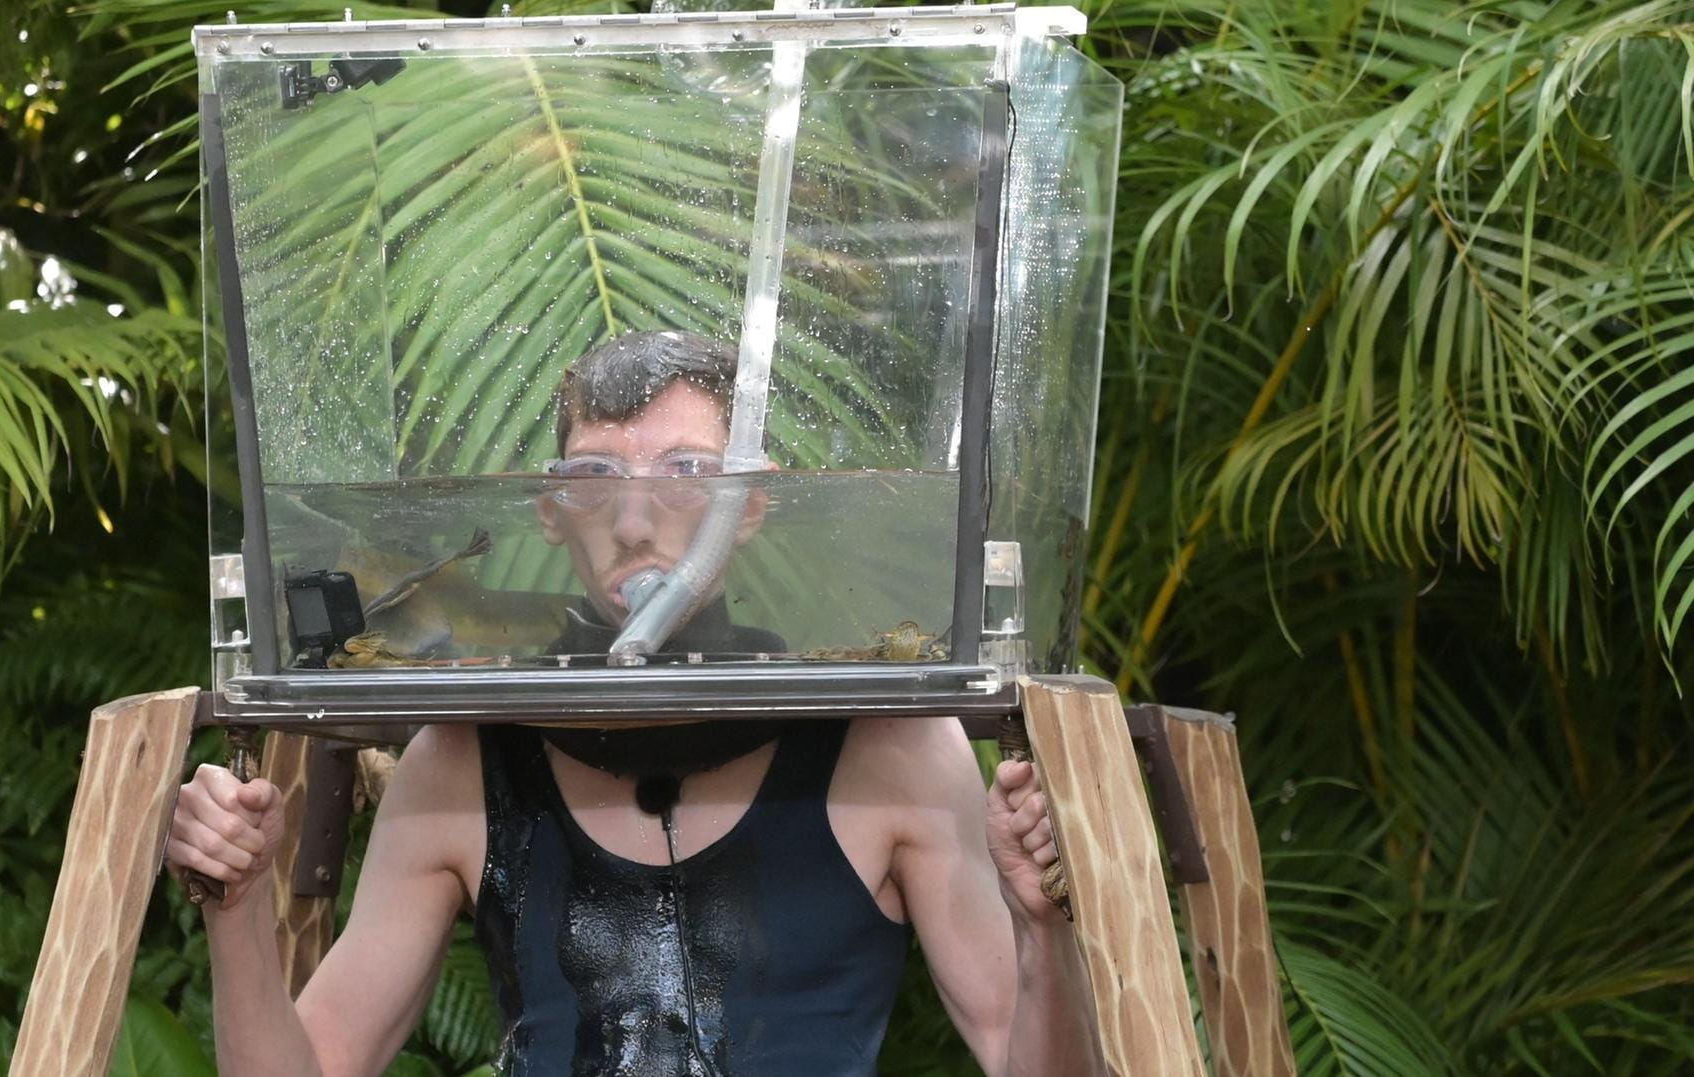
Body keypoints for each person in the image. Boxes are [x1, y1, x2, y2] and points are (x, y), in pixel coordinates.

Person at [166, 331, 1102, 1076]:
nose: (635, 518)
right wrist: (238, 909)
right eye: (596, 477)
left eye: (690, 472)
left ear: (754, 505)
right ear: (549, 508)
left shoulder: (892, 748)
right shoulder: (460, 762)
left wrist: (1041, 922)